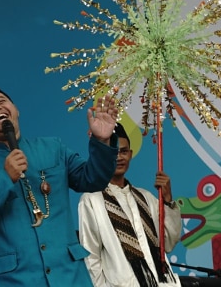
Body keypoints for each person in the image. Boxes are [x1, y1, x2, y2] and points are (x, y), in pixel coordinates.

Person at [0, 79, 119, 286]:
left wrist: (102, 141)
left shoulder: (53, 148)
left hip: (69, 277)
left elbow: (93, 180)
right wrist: (5, 178)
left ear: (16, 110)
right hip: (10, 281)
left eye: (1, 101)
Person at [78, 122, 182, 287]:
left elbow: (168, 243)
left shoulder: (145, 197)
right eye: (114, 152)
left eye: (124, 151)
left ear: (131, 154)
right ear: (104, 155)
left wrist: (167, 200)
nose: (119, 157)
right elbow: (91, 257)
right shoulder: (92, 199)